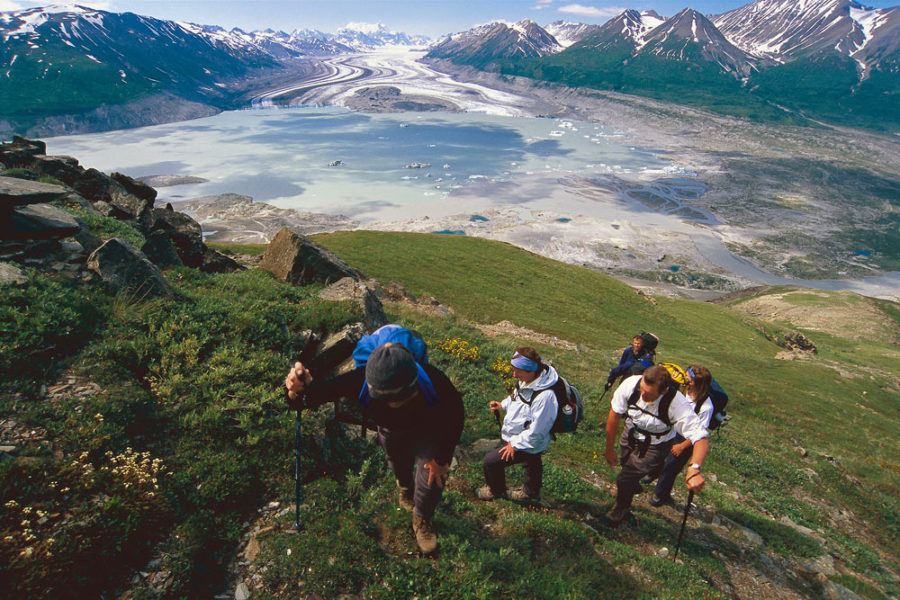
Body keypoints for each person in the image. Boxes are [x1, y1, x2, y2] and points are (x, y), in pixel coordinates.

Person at [284, 325, 464, 555]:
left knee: (431, 476)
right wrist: (294, 389)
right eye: (384, 398)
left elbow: (456, 416)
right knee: (397, 461)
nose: (393, 404)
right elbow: (302, 401)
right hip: (389, 430)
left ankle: (422, 518)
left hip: (426, 428)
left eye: (399, 399)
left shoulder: (434, 380)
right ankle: (405, 488)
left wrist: (441, 458)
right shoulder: (359, 378)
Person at [602, 365, 709, 528]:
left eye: (649, 394)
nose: (642, 396)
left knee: (624, 478)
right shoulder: (631, 385)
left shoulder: (676, 404)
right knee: (626, 468)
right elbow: (615, 414)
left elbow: (700, 438)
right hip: (630, 433)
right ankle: (630, 486)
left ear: (663, 391)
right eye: (641, 389)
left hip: (656, 445)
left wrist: (694, 468)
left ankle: (621, 508)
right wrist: (609, 449)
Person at [476, 347, 559, 502]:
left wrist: (514, 444)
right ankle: (531, 492)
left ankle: (497, 491)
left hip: (528, 440)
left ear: (530, 371)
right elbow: (517, 396)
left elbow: (537, 431)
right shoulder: (527, 380)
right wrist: (503, 405)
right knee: (532, 461)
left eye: (518, 371)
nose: (514, 375)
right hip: (524, 438)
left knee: (491, 462)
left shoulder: (546, 397)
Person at [649, 365, 714, 507]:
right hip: (671, 430)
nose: (685, 381)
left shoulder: (705, 406)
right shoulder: (682, 391)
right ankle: (651, 474)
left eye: (689, 380)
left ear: (699, 384)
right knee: (658, 453)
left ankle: (660, 495)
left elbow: (699, 433)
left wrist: (681, 446)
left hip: (685, 441)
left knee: (671, 467)